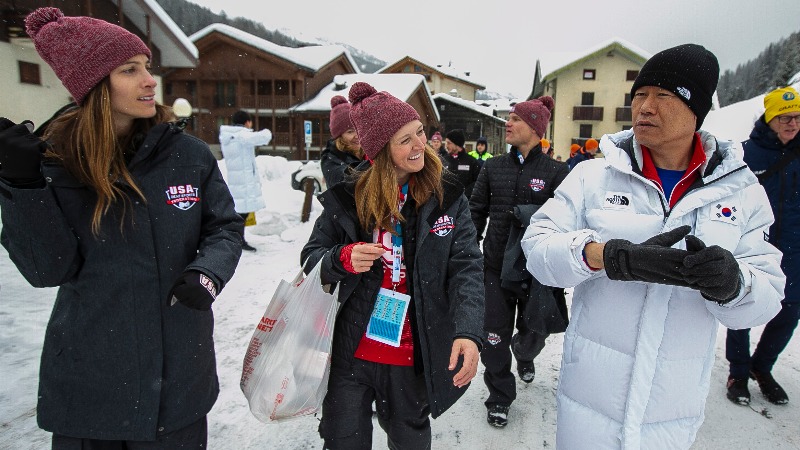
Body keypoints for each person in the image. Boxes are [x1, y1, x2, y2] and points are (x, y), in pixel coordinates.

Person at [0, 7, 243, 448]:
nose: (150, 80)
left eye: (147, 67)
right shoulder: (54, 162)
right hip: (90, 383)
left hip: (178, 380)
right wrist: (23, 186)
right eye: (130, 70)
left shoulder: (187, 155)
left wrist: (207, 272)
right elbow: (47, 270)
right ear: (94, 84)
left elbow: (225, 227)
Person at [521, 44, 784, 449]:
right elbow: (538, 250)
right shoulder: (595, 176)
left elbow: (768, 296)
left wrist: (734, 284)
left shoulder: (742, 192)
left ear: (696, 110)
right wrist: (603, 256)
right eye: (640, 96)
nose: (645, 107)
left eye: (663, 96)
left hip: (671, 411)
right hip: (590, 399)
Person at [300, 82, 484, 449]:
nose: (421, 145)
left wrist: (467, 330)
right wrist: (340, 259)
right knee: (342, 440)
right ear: (380, 150)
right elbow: (310, 260)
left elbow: (466, 267)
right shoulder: (348, 198)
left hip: (411, 350)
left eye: (420, 132)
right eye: (405, 140)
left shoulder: (446, 197)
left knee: (409, 440)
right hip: (351, 350)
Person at [470, 96, 569, 428]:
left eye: (516, 119)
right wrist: (468, 252)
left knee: (532, 334)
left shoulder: (556, 172)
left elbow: (566, 221)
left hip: (536, 272)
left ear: (536, 128)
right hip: (495, 268)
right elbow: (475, 213)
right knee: (493, 336)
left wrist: (527, 215)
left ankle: (525, 355)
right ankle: (499, 396)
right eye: (508, 118)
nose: (508, 124)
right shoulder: (492, 167)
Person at [726, 85, 800, 406]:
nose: (791, 124)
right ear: (769, 119)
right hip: (753, 248)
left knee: (788, 314)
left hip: (796, 252)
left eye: (797, 117)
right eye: (784, 117)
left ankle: (762, 368)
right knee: (743, 306)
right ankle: (739, 372)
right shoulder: (745, 155)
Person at [219, 110, 271, 252]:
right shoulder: (241, 135)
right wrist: (268, 130)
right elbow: (264, 137)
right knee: (241, 215)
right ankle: (238, 240)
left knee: (240, 214)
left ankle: (238, 239)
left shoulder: (229, 136)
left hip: (236, 180)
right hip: (244, 182)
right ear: (247, 122)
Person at [320, 95, 363, 188]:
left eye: (358, 129)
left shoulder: (366, 153)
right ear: (339, 136)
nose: (357, 135)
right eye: (350, 131)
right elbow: (348, 180)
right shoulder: (330, 159)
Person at [442, 129, 481, 197]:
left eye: (449, 143)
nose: (446, 146)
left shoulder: (471, 162)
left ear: (457, 144)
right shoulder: (443, 160)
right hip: (446, 203)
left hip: (465, 203)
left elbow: (478, 182)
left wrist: (465, 194)